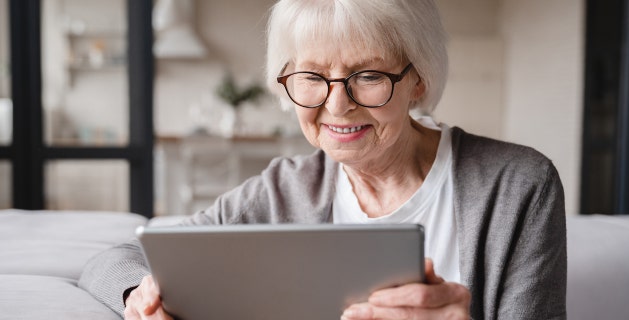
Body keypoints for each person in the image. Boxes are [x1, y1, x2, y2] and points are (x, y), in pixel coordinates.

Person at [79, 0, 567, 319]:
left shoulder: (519, 185)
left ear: (418, 79)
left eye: (369, 75)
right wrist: (137, 298)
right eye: (311, 77)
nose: (337, 105)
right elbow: (112, 261)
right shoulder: (280, 190)